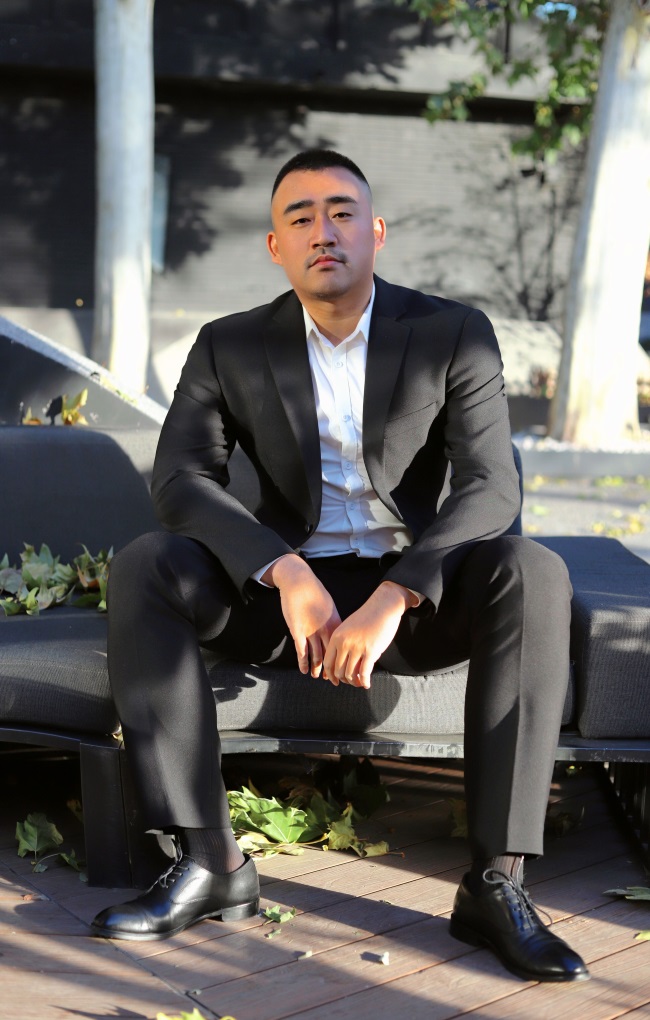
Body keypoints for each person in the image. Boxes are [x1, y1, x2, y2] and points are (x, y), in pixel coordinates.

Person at [91, 149, 588, 982]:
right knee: (148, 565)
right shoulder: (228, 345)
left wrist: (398, 593)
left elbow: (492, 485)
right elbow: (180, 480)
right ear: (275, 246)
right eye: (301, 217)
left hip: (412, 600)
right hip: (288, 603)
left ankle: (497, 883)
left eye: (342, 212)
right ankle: (210, 860)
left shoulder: (451, 332)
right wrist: (283, 571)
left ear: (376, 233)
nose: (324, 231)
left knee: (532, 569)